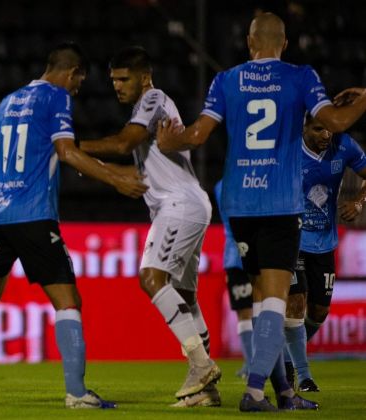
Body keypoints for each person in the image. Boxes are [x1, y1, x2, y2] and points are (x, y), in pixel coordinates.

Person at [157, 12, 366, 412]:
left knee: (263, 298)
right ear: (283, 44)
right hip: (280, 202)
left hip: (241, 203)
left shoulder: (226, 79)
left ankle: (284, 394)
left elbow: (197, 135)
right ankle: (255, 393)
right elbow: (337, 120)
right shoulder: (300, 76)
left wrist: (172, 140)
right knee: (274, 300)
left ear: (250, 44)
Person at [0, 42, 147, 409]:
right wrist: (117, 180)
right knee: (68, 301)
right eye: (78, 83)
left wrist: (18, 177)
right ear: (71, 74)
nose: (76, 90)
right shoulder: (56, 97)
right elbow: (66, 151)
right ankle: (77, 393)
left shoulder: (8, 101)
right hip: (34, 215)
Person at [78, 46, 220, 407]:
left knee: (151, 278)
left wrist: (70, 147)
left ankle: (201, 365)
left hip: (179, 206)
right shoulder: (151, 113)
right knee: (185, 297)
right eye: (113, 80)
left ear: (143, 77)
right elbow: (139, 169)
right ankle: (205, 392)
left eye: (124, 79)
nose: (117, 86)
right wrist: (90, 165)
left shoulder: (153, 97)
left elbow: (125, 144)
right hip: (188, 204)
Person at [282, 113, 366, 392]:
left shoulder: (344, 146)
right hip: (293, 239)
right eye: (318, 129)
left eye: (329, 129)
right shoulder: (289, 148)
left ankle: (284, 356)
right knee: (296, 303)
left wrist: (358, 201)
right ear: (303, 126)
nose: (326, 135)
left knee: (319, 311)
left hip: (324, 242)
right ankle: (302, 376)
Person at [214, 181, 254, 380]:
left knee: (254, 311)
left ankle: (257, 362)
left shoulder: (223, 185)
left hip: (239, 256)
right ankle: (251, 363)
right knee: (247, 312)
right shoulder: (225, 186)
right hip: (240, 257)